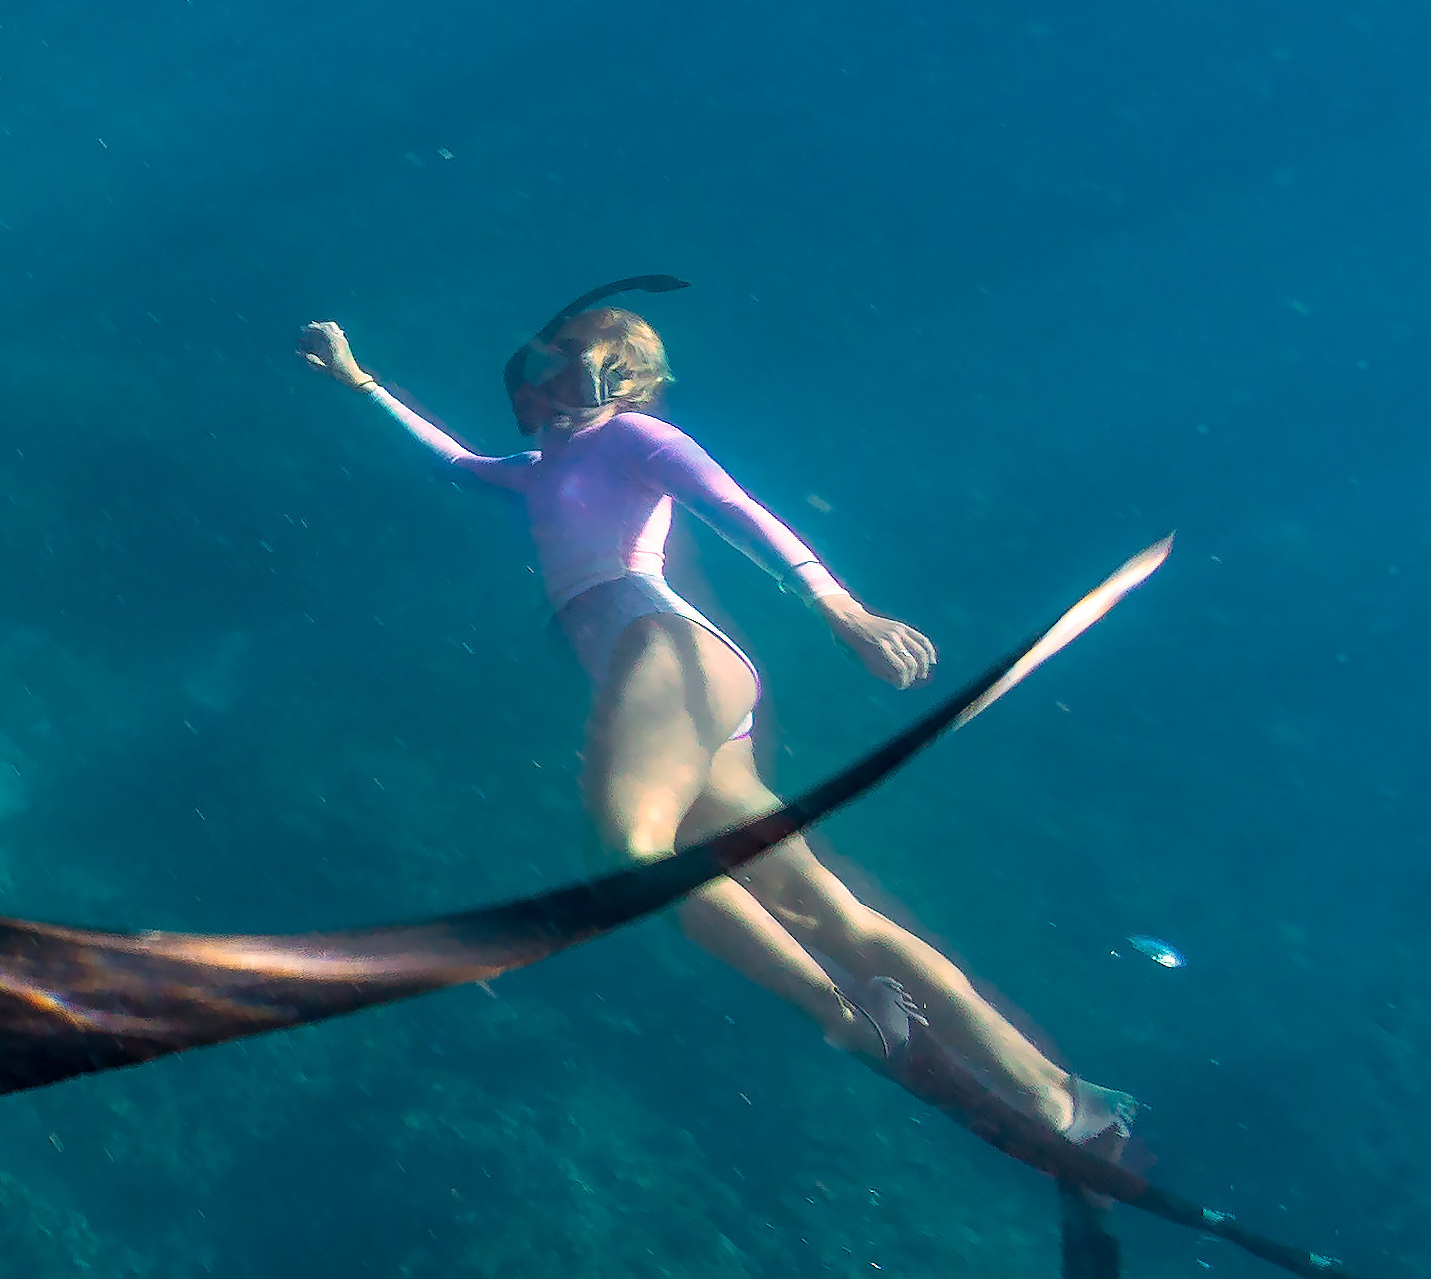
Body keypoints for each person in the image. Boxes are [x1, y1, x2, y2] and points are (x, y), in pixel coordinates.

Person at [301, 282, 1115, 1145]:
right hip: (679, 686)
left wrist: (842, 611)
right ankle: (1057, 1093)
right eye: (542, 367)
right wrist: (362, 385)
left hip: (665, 651)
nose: (545, 388)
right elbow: (457, 464)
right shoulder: (541, 470)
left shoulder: (636, 437)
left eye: (569, 370)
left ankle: (850, 1015)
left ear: (619, 383)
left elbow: (737, 510)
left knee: (627, 854)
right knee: (816, 908)